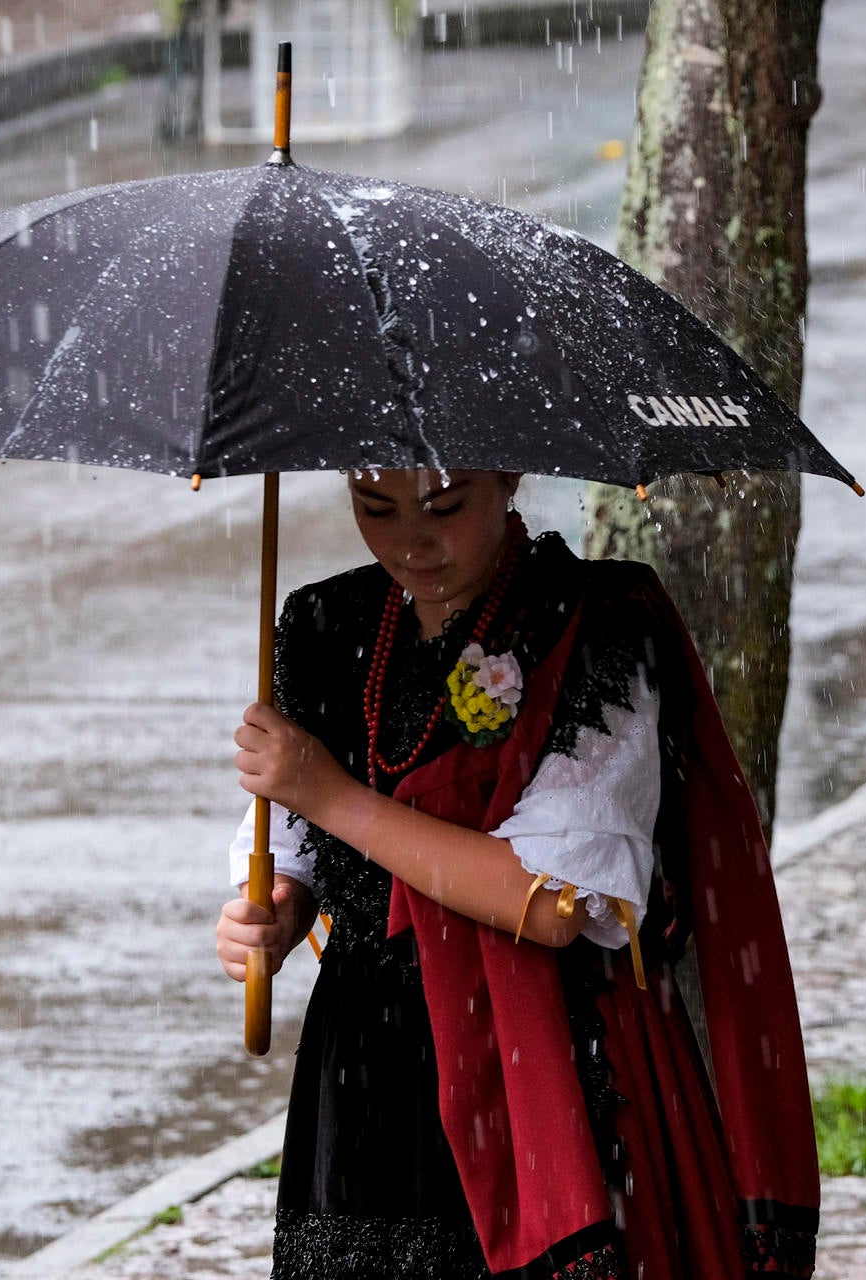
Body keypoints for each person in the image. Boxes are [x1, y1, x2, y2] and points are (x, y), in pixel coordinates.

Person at [214, 469, 821, 1280]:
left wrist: (331, 794)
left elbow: (551, 905)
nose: (411, 542)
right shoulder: (325, 627)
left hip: (547, 1057)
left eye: (444, 506)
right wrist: (275, 916)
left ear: (506, 478)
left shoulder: (594, 623)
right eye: (375, 508)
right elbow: (298, 851)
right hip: (369, 1066)